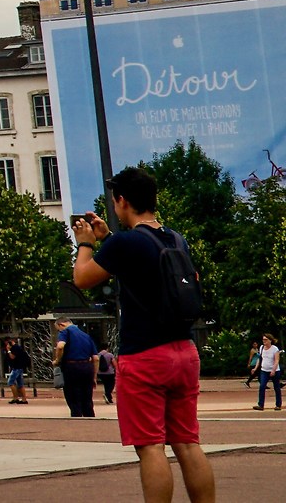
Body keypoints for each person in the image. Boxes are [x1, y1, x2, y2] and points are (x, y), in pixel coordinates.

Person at [73, 166, 215, 503]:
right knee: (186, 442)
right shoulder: (174, 238)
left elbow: (82, 278)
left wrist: (85, 243)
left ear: (122, 201)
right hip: (183, 351)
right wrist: (108, 238)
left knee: (151, 446)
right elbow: (141, 266)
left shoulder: (125, 243)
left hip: (146, 356)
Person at [55, 318, 100, 419]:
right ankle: (90, 419)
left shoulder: (65, 332)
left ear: (61, 325)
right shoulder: (86, 336)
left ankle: (77, 419)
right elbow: (96, 358)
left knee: (74, 398)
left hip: (71, 367)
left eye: (58, 329)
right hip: (87, 368)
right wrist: (94, 376)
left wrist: (57, 360)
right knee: (87, 398)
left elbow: (60, 346)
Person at [254, 334, 280, 411]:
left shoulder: (275, 349)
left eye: (266, 340)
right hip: (264, 370)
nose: (264, 341)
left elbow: (276, 360)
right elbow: (260, 358)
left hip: (274, 370)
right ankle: (261, 404)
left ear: (270, 340)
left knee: (277, 387)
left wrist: (273, 370)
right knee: (262, 386)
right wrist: (255, 368)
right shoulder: (261, 347)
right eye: (263, 340)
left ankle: (278, 405)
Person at [3, 336, 31, 404]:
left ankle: (15, 397)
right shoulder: (17, 347)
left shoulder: (15, 348)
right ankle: (24, 399)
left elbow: (12, 357)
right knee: (20, 384)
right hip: (19, 367)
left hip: (17, 368)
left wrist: (8, 350)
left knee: (10, 382)